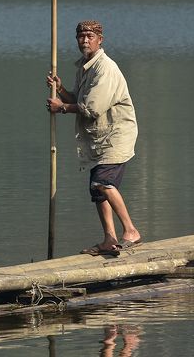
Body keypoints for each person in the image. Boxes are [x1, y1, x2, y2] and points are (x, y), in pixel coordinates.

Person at [47, 20, 142, 256]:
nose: (85, 40)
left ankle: (131, 231)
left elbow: (92, 108)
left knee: (103, 183)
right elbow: (79, 99)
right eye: (81, 36)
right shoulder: (85, 67)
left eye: (90, 36)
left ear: (100, 40)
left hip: (116, 135)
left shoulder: (105, 68)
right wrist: (61, 90)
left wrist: (61, 108)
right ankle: (109, 239)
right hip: (99, 137)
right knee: (97, 191)